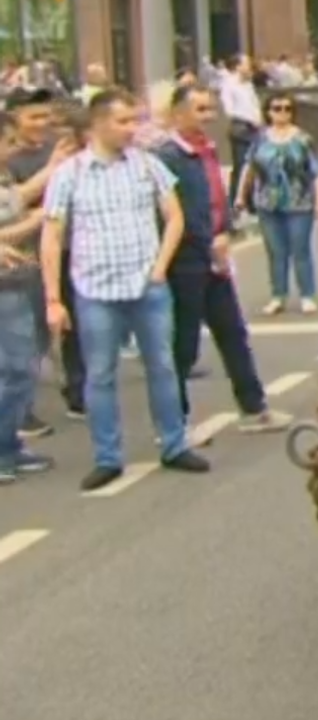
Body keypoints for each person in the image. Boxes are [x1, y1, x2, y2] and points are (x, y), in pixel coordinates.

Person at [40, 89, 211, 491]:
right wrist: (53, 298)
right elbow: (52, 234)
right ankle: (107, 456)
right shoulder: (70, 173)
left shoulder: (147, 165)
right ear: (99, 123)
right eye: (123, 121)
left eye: (135, 120)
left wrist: (160, 266)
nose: (132, 129)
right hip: (95, 290)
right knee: (100, 375)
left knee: (163, 367)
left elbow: (174, 216)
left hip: (146, 286)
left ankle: (174, 444)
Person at [155, 82, 292, 433]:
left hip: (215, 255)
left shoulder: (208, 149)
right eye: (200, 109)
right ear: (178, 114)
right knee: (183, 343)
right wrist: (209, 242)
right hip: (186, 260)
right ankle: (174, 424)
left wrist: (226, 231)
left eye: (211, 109)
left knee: (232, 333)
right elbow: (177, 212)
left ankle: (254, 408)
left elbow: (216, 196)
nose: (208, 117)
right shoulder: (168, 156)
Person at [6, 86, 84, 429]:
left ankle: (77, 392)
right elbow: (15, 202)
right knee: (27, 339)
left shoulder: (59, 148)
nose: (42, 124)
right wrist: (41, 214)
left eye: (46, 116)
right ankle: (17, 414)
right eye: (33, 117)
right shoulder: (11, 160)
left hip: (64, 252)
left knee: (69, 326)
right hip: (23, 260)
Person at [0, 121, 53, 484]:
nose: (15, 148)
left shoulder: (6, 179)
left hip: (17, 281)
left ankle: (9, 444)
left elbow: (16, 200)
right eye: (9, 142)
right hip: (5, 288)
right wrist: (37, 219)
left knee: (23, 367)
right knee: (16, 370)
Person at [238, 93, 318, 314]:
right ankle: (278, 295)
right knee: (276, 251)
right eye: (277, 108)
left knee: (300, 249)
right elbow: (249, 167)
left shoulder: (303, 139)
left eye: (287, 108)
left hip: (299, 201)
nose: (282, 113)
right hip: (267, 202)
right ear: (268, 112)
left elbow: (315, 171)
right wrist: (240, 195)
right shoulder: (260, 139)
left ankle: (306, 294)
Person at [219, 58, 264, 224]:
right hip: (241, 127)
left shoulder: (248, 85)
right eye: (246, 64)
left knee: (253, 166)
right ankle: (235, 205)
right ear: (238, 66)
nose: (249, 67)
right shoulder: (229, 84)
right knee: (241, 165)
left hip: (255, 128)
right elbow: (229, 110)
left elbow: (255, 106)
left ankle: (251, 203)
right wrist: (249, 119)